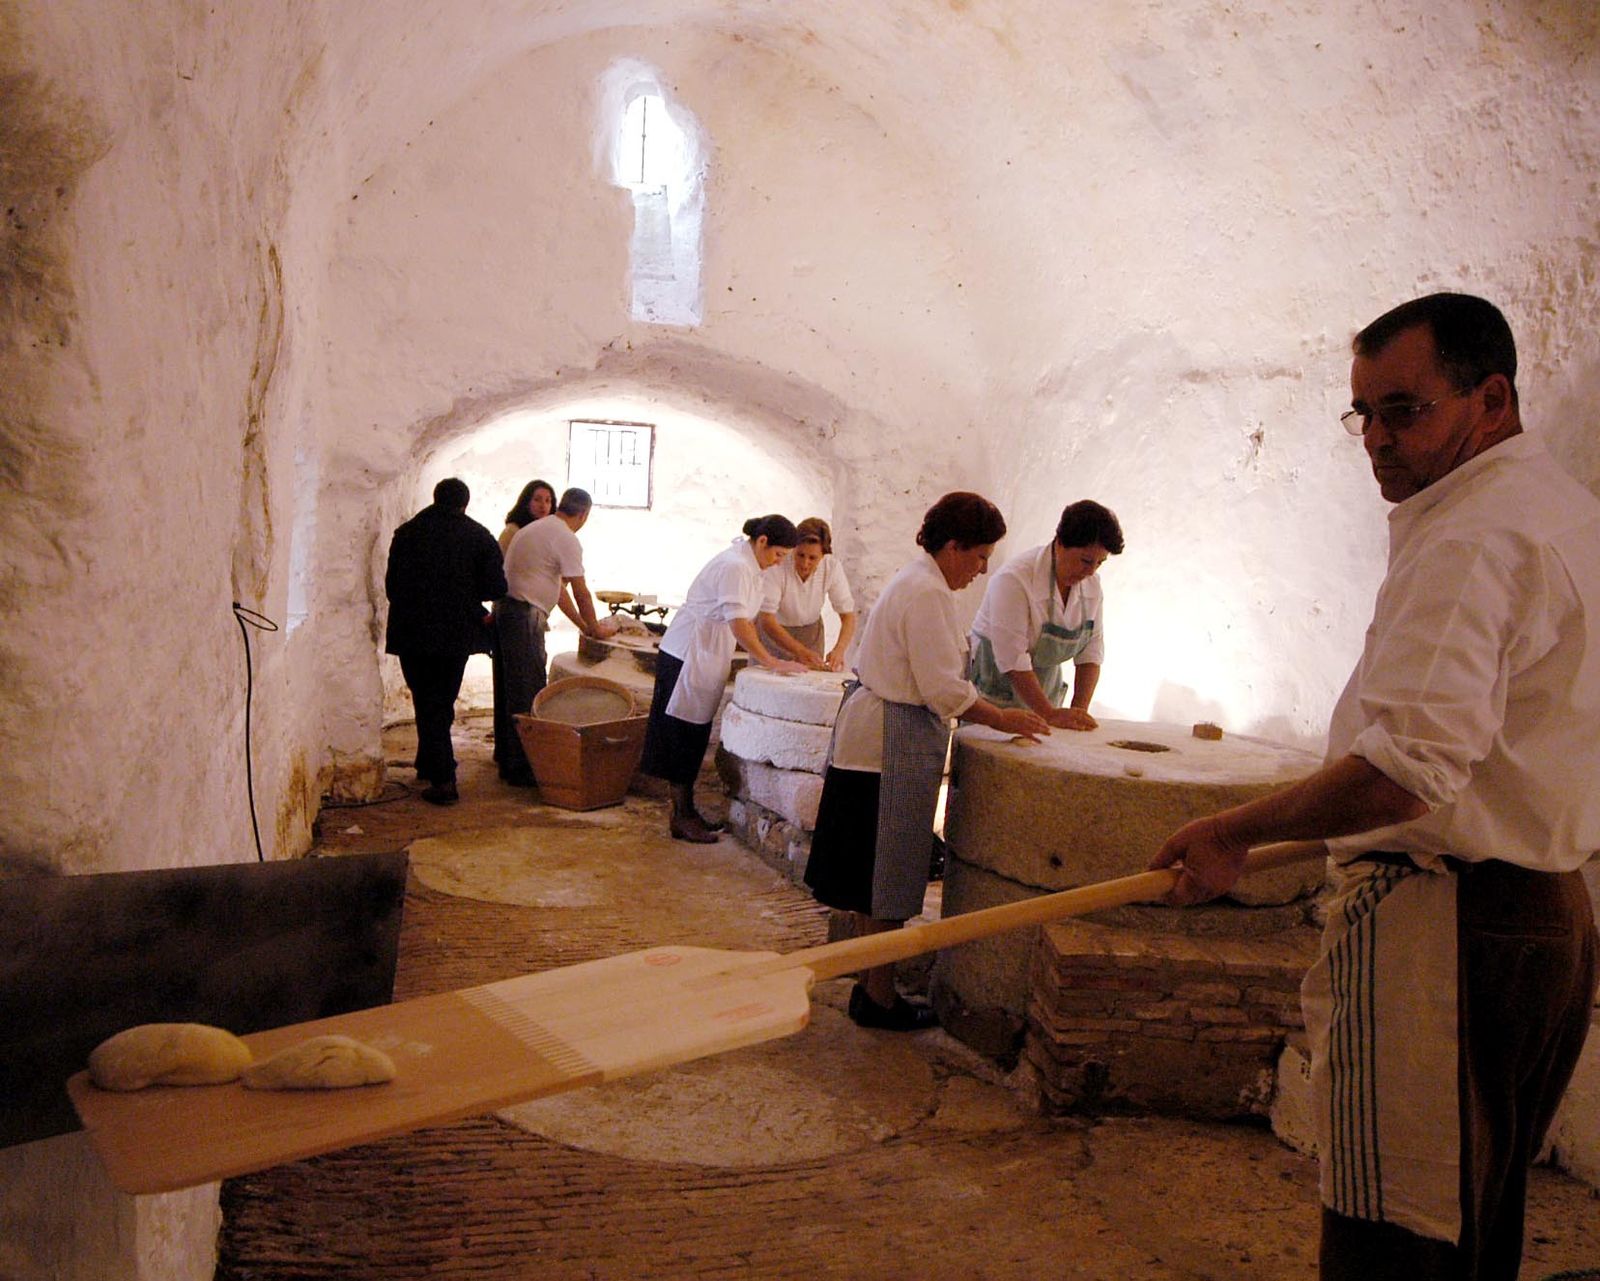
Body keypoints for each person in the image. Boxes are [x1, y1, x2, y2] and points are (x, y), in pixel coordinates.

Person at [1149, 293, 1600, 1280]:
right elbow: (1477, 765)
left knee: (1391, 1241)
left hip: (1446, 931)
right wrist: (1262, 852)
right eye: (1364, 414)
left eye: (1406, 411)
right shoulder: (1561, 510)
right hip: (1541, 916)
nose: (1377, 442)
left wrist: (1231, 828)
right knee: (1469, 1222)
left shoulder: (1476, 531)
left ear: (1490, 398)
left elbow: (1408, 772)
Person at [803, 493, 1051, 1030]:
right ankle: (879, 997)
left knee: (877, 880)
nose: (983, 569)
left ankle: (872, 988)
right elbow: (942, 689)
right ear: (953, 545)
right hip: (887, 748)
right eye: (979, 556)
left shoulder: (920, 581)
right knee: (884, 878)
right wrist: (1003, 718)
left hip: (879, 739)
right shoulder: (927, 593)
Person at [641, 515, 810, 842]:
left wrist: (793, 653)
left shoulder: (750, 567)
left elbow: (753, 618)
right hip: (688, 653)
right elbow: (739, 624)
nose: (779, 563)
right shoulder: (735, 565)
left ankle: (687, 811)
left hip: (707, 652)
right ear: (762, 542)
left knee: (694, 734)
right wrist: (771, 661)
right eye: (778, 555)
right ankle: (680, 815)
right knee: (681, 736)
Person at [383, 477, 507, 805]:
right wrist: (466, 596)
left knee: (426, 699)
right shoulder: (478, 536)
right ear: (465, 503)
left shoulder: (407, 533)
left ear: (435, 498)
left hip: (412, 630)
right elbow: (496, 587)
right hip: (456, 632)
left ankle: (434, 768)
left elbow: (392, 588)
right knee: (440, 701)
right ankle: (441, 776)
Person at [492, 487, 619, 785]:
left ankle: (513, 762)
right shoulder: (565, 537)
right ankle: (522, 770)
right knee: (527, 692)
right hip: (523, 616)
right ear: (584, 514)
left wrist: (583, 626)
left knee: (514, 690)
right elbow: (579, 590)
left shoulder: (538, 529)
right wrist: (596, 627)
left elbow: (556, 589)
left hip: (509, 611)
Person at [968, 499, 1122, 730]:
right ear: (1059, 543)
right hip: (996, 699)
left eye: (1100, 563)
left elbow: (1090, 653)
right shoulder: (1014, 579)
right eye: (1085, 560)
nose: (1090, 571)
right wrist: (1048, 713)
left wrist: (1078, 713)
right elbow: (1012, 659)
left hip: (1045, 695)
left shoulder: (1091, 586)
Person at [755, 516, 858, 671]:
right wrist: (799, 650)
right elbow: (766, 619)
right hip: (774, 633)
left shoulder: (832, 567)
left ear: (824, 555)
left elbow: (848, 616)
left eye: (812, 558)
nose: (805, 563)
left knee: (809, 687)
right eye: (800, 555)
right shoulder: (778, 564)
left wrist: (839, 649)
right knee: (768, 687)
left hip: (811, 634)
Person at [498, 478, 557, 554]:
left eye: (547, 501)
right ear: (526, 502)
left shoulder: (551, 532)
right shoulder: (512, 532)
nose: (543, 505)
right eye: (537, 500)